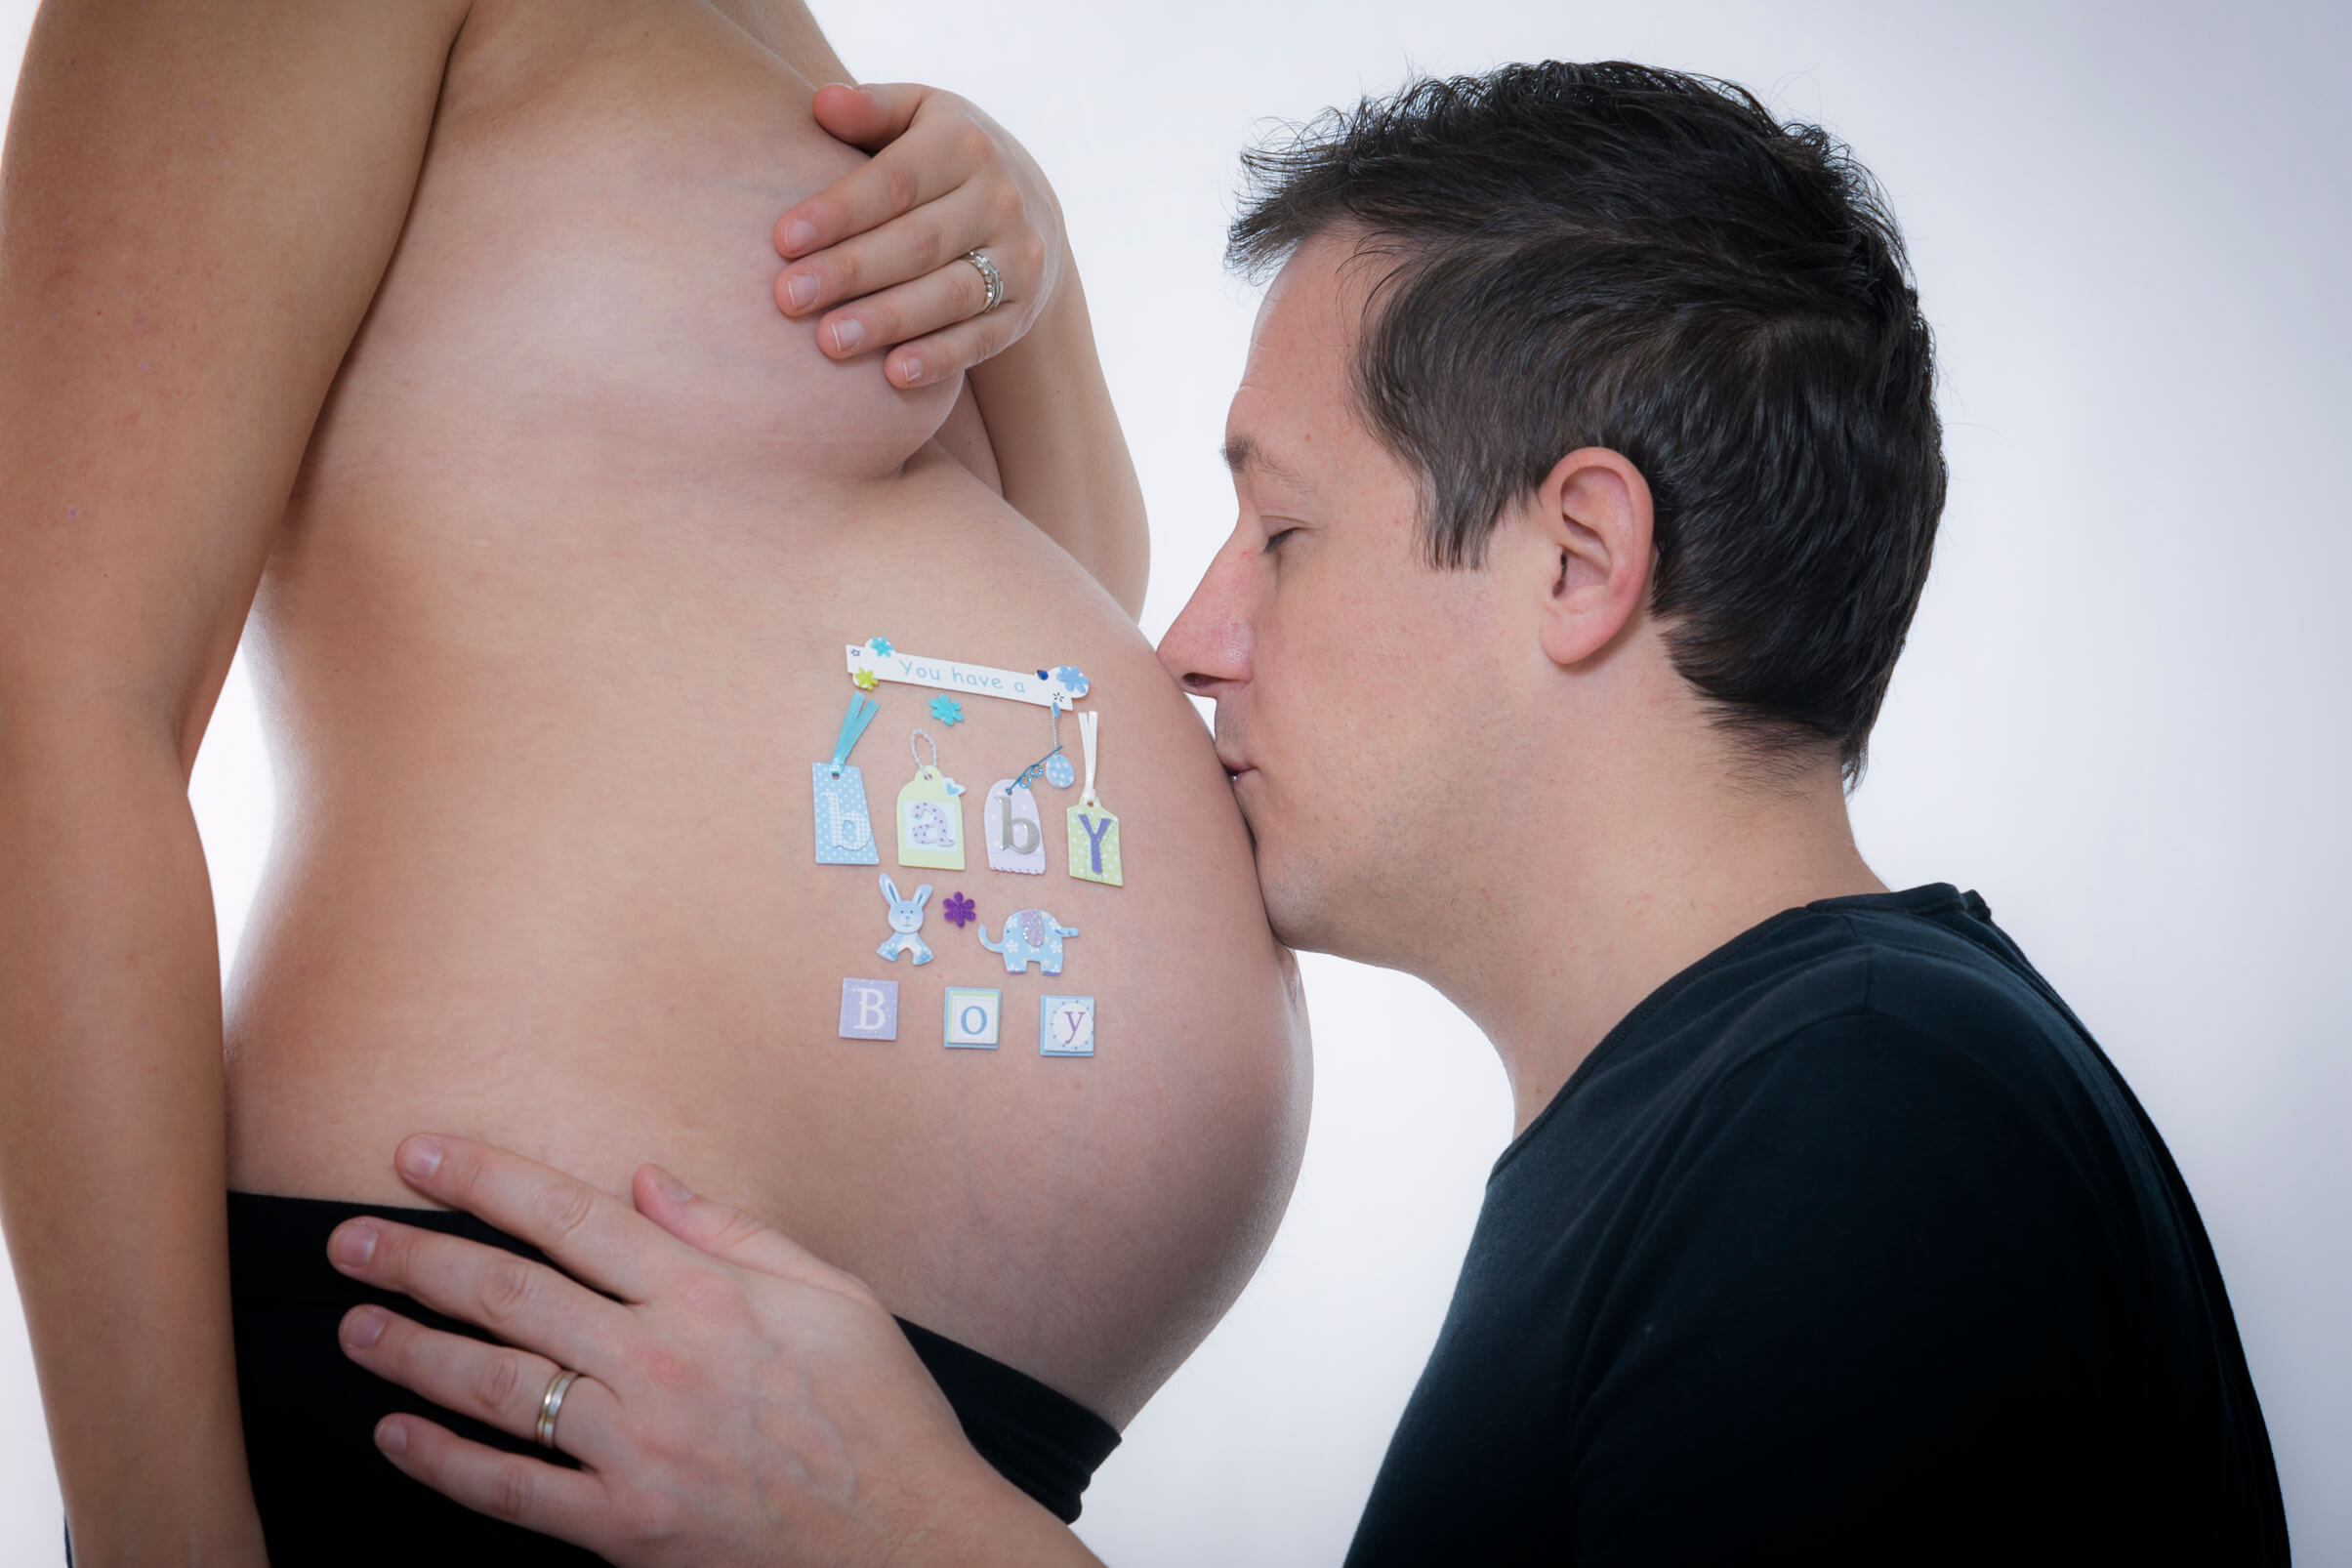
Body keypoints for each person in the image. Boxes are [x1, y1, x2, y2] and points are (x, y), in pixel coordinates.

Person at [318, 61, 2290, 1565]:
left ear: (1577, 554)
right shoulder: (1760, 1116)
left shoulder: (1868, 1125)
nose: (1185, 637)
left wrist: (909, 1525)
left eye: (1281, 528)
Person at [0, 1, 1307, 1561]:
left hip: (919, 1479)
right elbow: (58, 692)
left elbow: (1037, 666)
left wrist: (1028, 271)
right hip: (494, 1361)